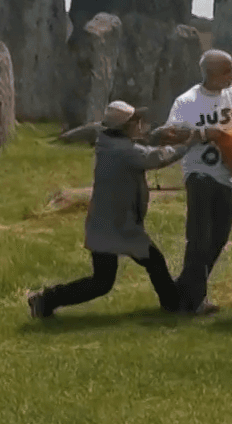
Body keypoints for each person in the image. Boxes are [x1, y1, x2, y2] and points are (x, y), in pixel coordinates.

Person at [26, 101, 212, 319]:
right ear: (125, 127)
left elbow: (140, 145)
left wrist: (161, 134)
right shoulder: (122, 151)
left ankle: (45, 300)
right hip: (117, 225)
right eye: (137, 122)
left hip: (109, 222)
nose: (141, 126)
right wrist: (189, 143)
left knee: (104, 281)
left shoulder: (111, 142)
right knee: (146, 265)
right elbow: (155, 157)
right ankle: (174, 305)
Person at [158, 50, 232, 315]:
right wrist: (206, 133)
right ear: (211, 74)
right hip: (200, 174)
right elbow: (169, 134)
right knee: (199, 238)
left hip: (228, 177)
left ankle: (181, 293)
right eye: (227, 70)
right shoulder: (188, 101)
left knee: (219, 238)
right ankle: (195, 301)